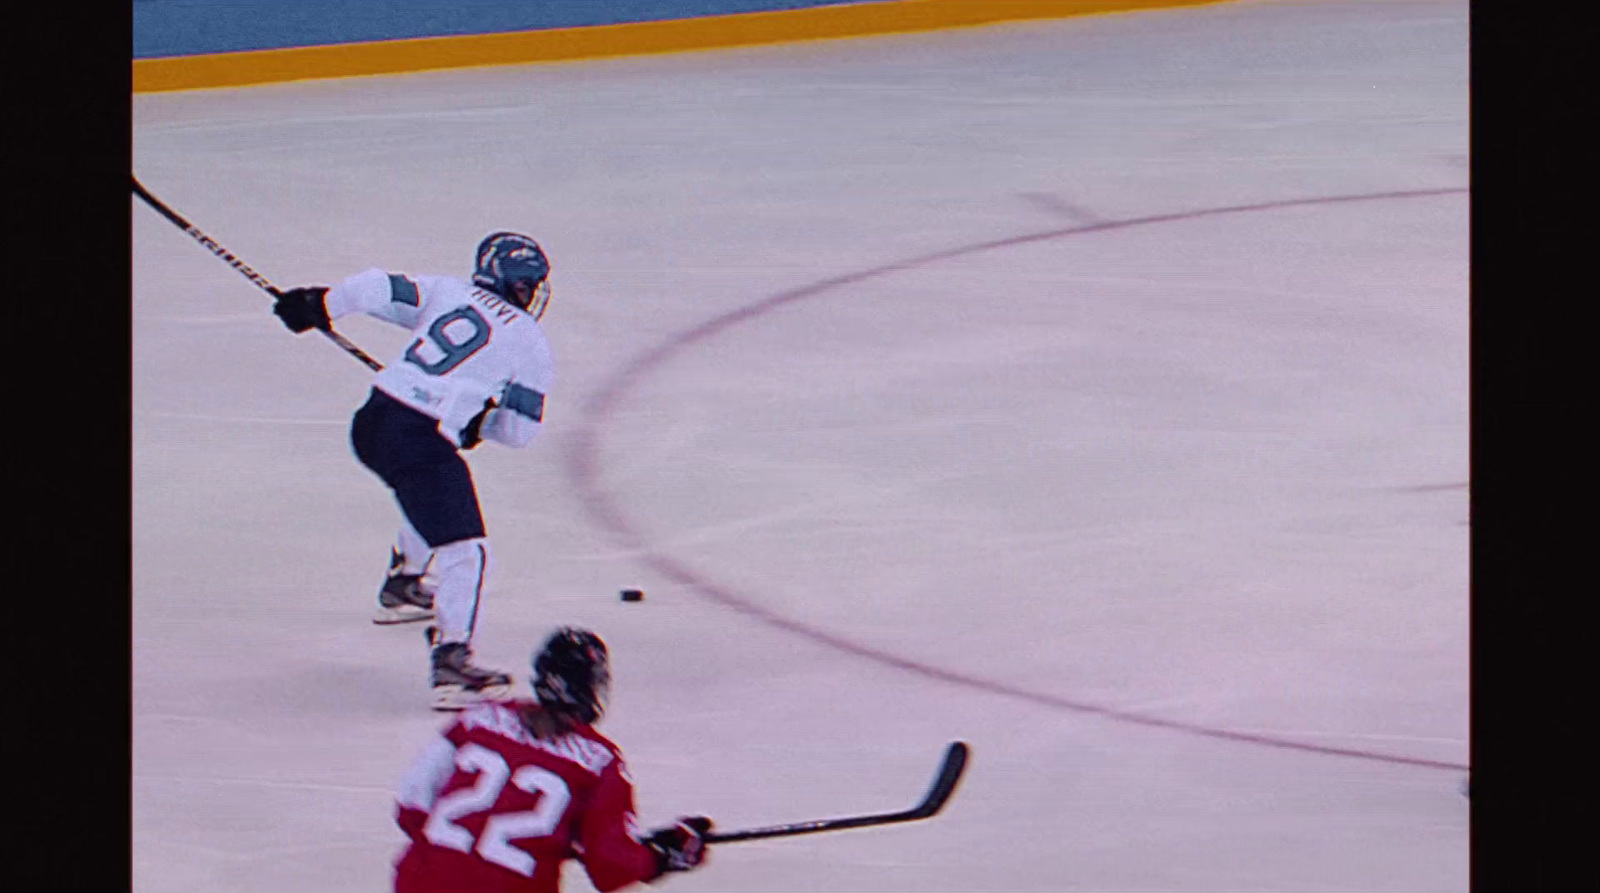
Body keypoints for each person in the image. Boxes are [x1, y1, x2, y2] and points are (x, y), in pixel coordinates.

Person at [272, 232, 556, 709]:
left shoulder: (449, 292)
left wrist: (322, 304)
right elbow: (518, 431)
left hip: (374, 422)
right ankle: (452, 664)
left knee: (430, 490)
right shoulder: (530, 340)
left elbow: (373, 285)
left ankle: (404, 584)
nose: (531, 294)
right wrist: (480, 422)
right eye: (528, 285)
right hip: (418, 437)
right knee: (467, 550)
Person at [391, 627, 713, 893]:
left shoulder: (478, 718)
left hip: (421, 882)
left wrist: (462, 853)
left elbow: (411, 806)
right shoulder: (598, 762)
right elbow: (611, 865)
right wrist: (661, 856)